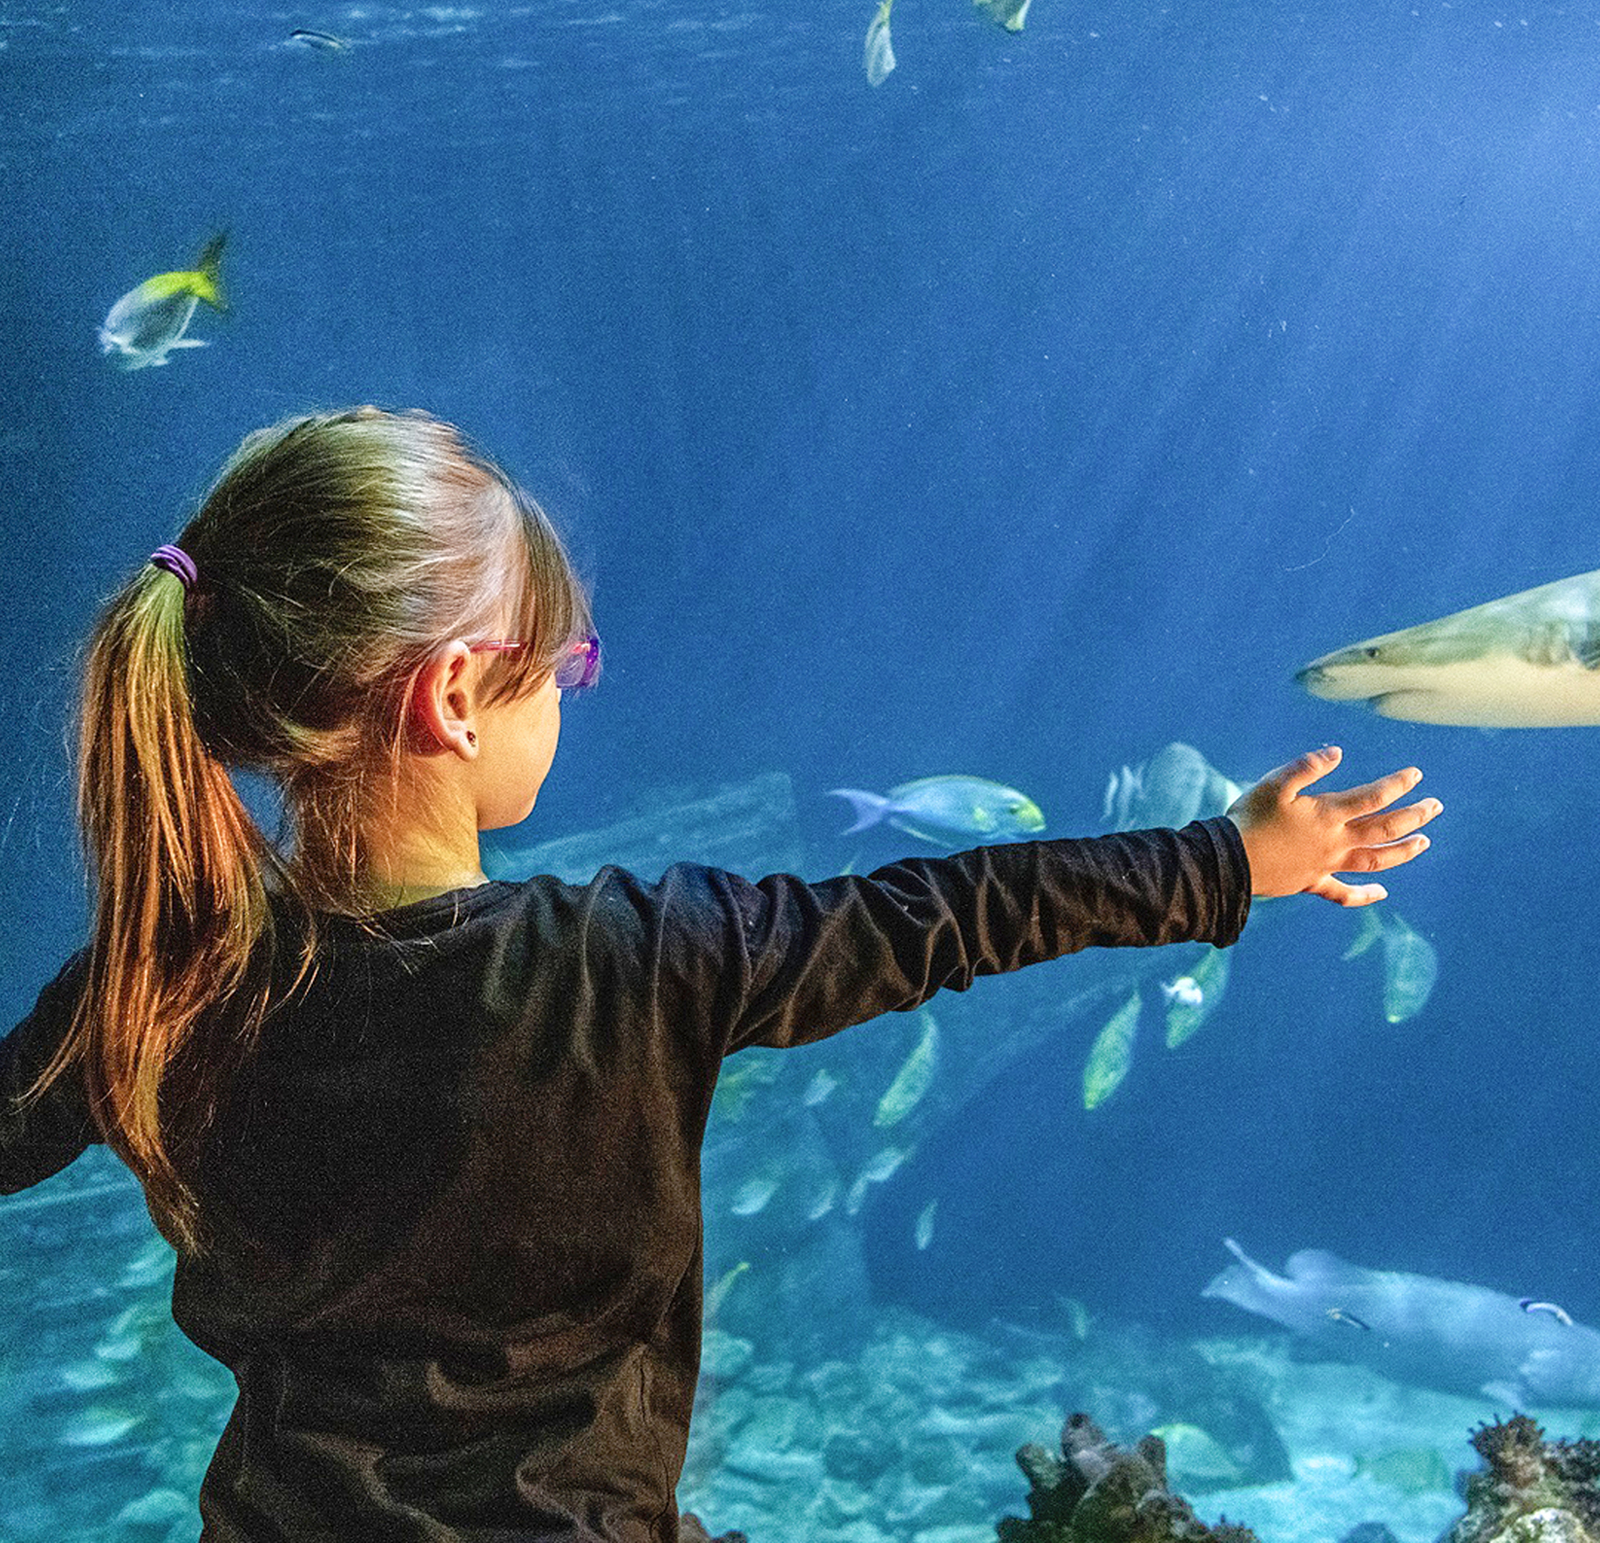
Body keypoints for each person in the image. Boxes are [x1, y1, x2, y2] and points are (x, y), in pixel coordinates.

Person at [0, 406, 1441, 1543]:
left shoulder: (156, 987)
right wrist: (1226, 861)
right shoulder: (628, 963)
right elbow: (944, 913)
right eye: (560, 668)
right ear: (453, 697)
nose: (569, 689)